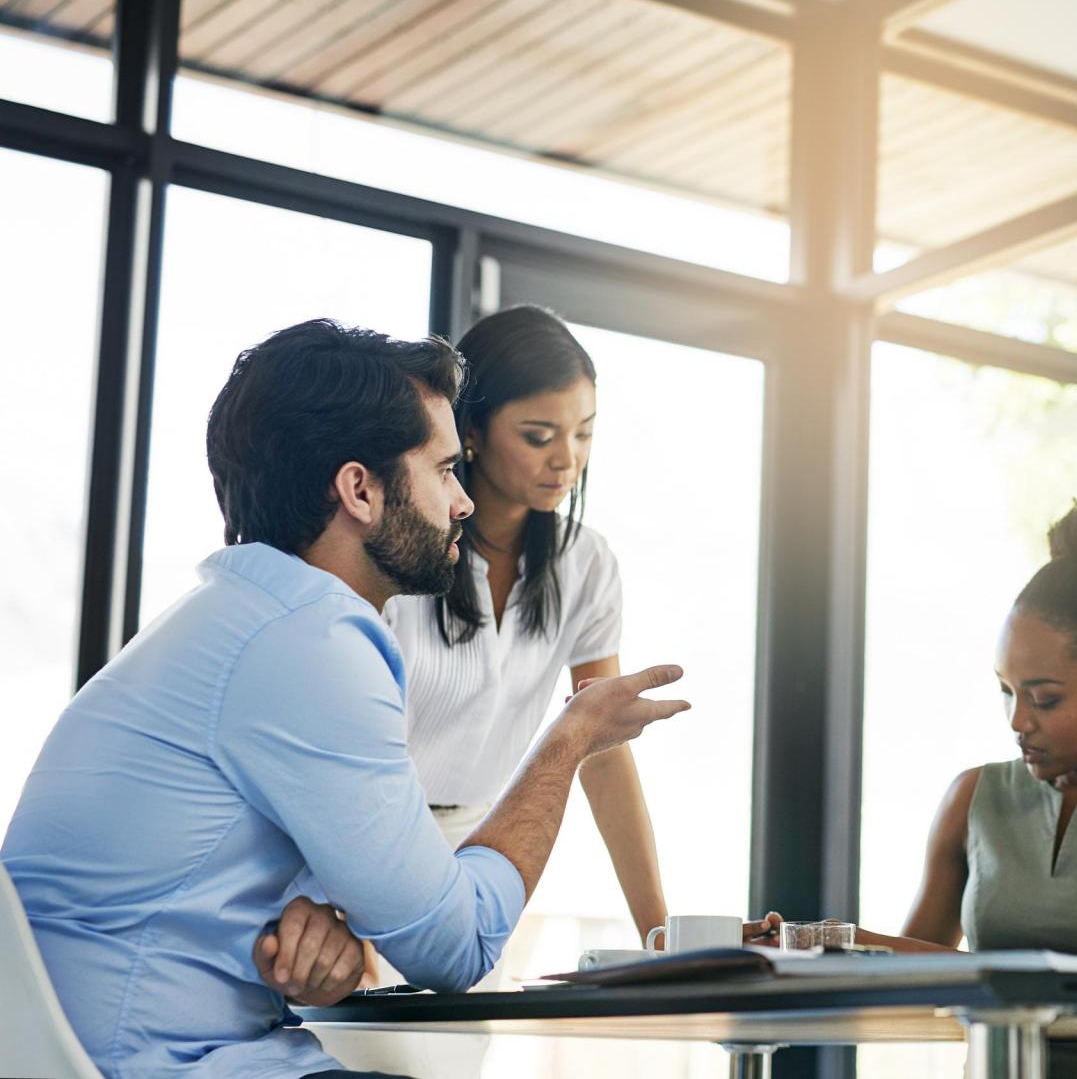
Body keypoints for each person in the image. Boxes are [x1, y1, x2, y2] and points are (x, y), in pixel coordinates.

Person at [0, 320, 689, 1079]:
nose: (462, 502)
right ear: (359, 489)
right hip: (153, 1061)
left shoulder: (246, 613)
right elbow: (456, 946)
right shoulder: (315, 642)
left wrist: (319, 922)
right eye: (442, 470)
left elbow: (224, 860)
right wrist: (567, 740)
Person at [772, 501, 1077, 1079]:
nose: (1018, 720)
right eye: (1007, 692)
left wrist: (846, 941)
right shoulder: (973, 797)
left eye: (1044, 698)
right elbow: (907, 979)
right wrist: (810, 946)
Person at [382, 306, 665, 938]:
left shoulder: (585, 564)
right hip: (371, 839)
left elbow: (602, 750)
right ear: (472, 431)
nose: (568, 459)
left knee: (465, 1037)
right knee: (378, 1039)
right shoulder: (401, 553)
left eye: (584, 433)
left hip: (491, 849)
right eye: (539, 436)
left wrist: (660, 932)